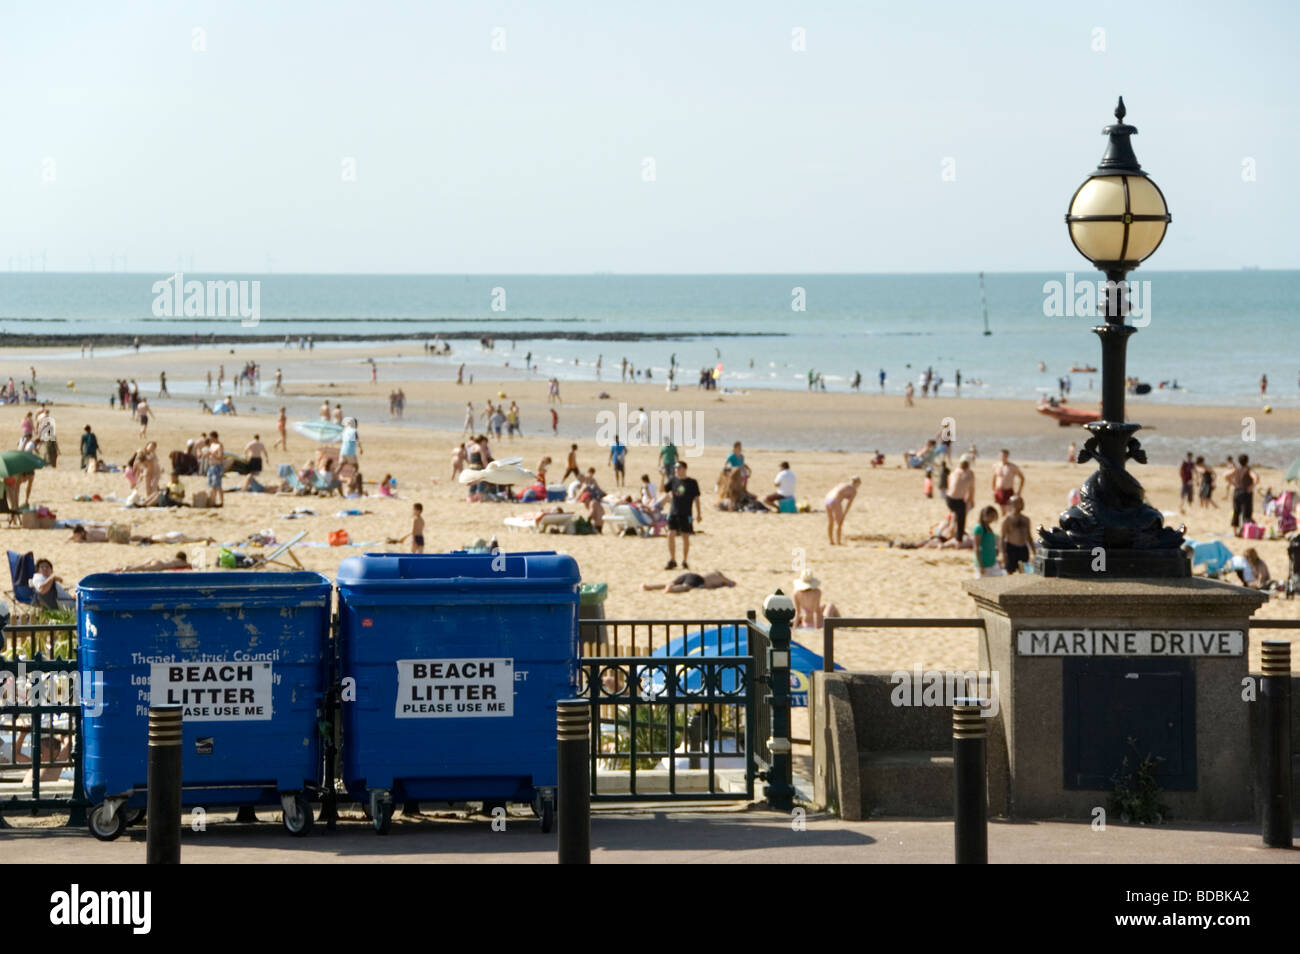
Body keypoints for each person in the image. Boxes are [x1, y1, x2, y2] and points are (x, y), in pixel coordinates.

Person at [664, 460, 702, 570]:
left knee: (685, 537)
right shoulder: (673, 480)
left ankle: (685, 560)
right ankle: (672, 560)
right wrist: (662, 477)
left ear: (684, 469)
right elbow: (663, 490)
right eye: (675, 468)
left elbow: (696, 498)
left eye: (678, 468)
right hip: (673, 512)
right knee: (670, 534)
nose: (676, 470)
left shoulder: (692, 482)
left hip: (686, 513)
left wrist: (699, 514)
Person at [1000, 495, 1034, 573]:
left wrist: (1033, 552)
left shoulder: (1026, 519)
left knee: (1025, 572)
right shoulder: (1007, 520)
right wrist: (1003, 554)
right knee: (1010, 572)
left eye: (1021, 502)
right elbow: (1002, 538)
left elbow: (1029, 536)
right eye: (1018, 503)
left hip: (1023, 549)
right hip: (1011, 548)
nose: (1020, 505)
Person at [824, 476, 861, 546]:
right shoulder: (853, 490)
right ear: (858, 483)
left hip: (827, 498)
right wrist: (844, 514)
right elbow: (849, 503)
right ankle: (838, 542)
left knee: (830, 521)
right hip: (835, 501)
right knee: (839, 523)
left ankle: (831, 541)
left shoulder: (842, 484)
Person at [945, 456, 975, 541]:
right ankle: (958, 538)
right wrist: (971, 500)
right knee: (961, 518)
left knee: (956, 516)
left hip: (950, 497)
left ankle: (952, 533)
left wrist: (969, 500)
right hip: (956, 499)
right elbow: (971, 488)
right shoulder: (969, 474)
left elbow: (950, 484)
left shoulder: (955, 471)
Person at [1227, 454, 1257, 533]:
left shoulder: (1236, 469)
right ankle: (1244, 531)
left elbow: (1226, 476)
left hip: (1237, 491)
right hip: (1245, 492)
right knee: (1246, 512)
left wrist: (1233, 483)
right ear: (1247, 461)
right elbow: (1256, 477)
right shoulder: (1248, 469)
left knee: (1236, 511)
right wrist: (1252, 486)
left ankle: (1234, 531)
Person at [972, 506, 1003, 578]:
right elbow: (976, 547)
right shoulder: (979, 528)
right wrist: (980, 565)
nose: (993, 518)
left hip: (991, 562)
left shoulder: (988, 528)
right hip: (984, 563)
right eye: (991, 516)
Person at [991, 449, 1024, 515]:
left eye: (1005, 456)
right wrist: (993, 490)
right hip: (999, 490)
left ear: (1007, 456)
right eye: (1001, 455)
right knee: (1001, 510)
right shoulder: (996, 466)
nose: (1003, 457)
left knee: (1009, 510)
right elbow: (994, 478)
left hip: (1008, 490)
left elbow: (1022, 478)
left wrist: (1019, 491)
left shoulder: (1012, 467)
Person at [640, 570, 735, 593]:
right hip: (698, 579)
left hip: (689, 575)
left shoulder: (714, 575)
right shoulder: (720, 578)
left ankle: (648, 587)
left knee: (669, 583)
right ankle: (671, 589)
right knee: (686, 587)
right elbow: (732, 583)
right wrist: (728, 583)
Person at [205, 431, 225, 507]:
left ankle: (221, 502)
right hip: (211, 466)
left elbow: (220, 457)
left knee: (217, 485)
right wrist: (207, 455)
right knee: (211, 485)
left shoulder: (219, 446)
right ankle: (213, 501)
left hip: (217, 466)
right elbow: (210, 455)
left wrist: (213, 455)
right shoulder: (212, 445)